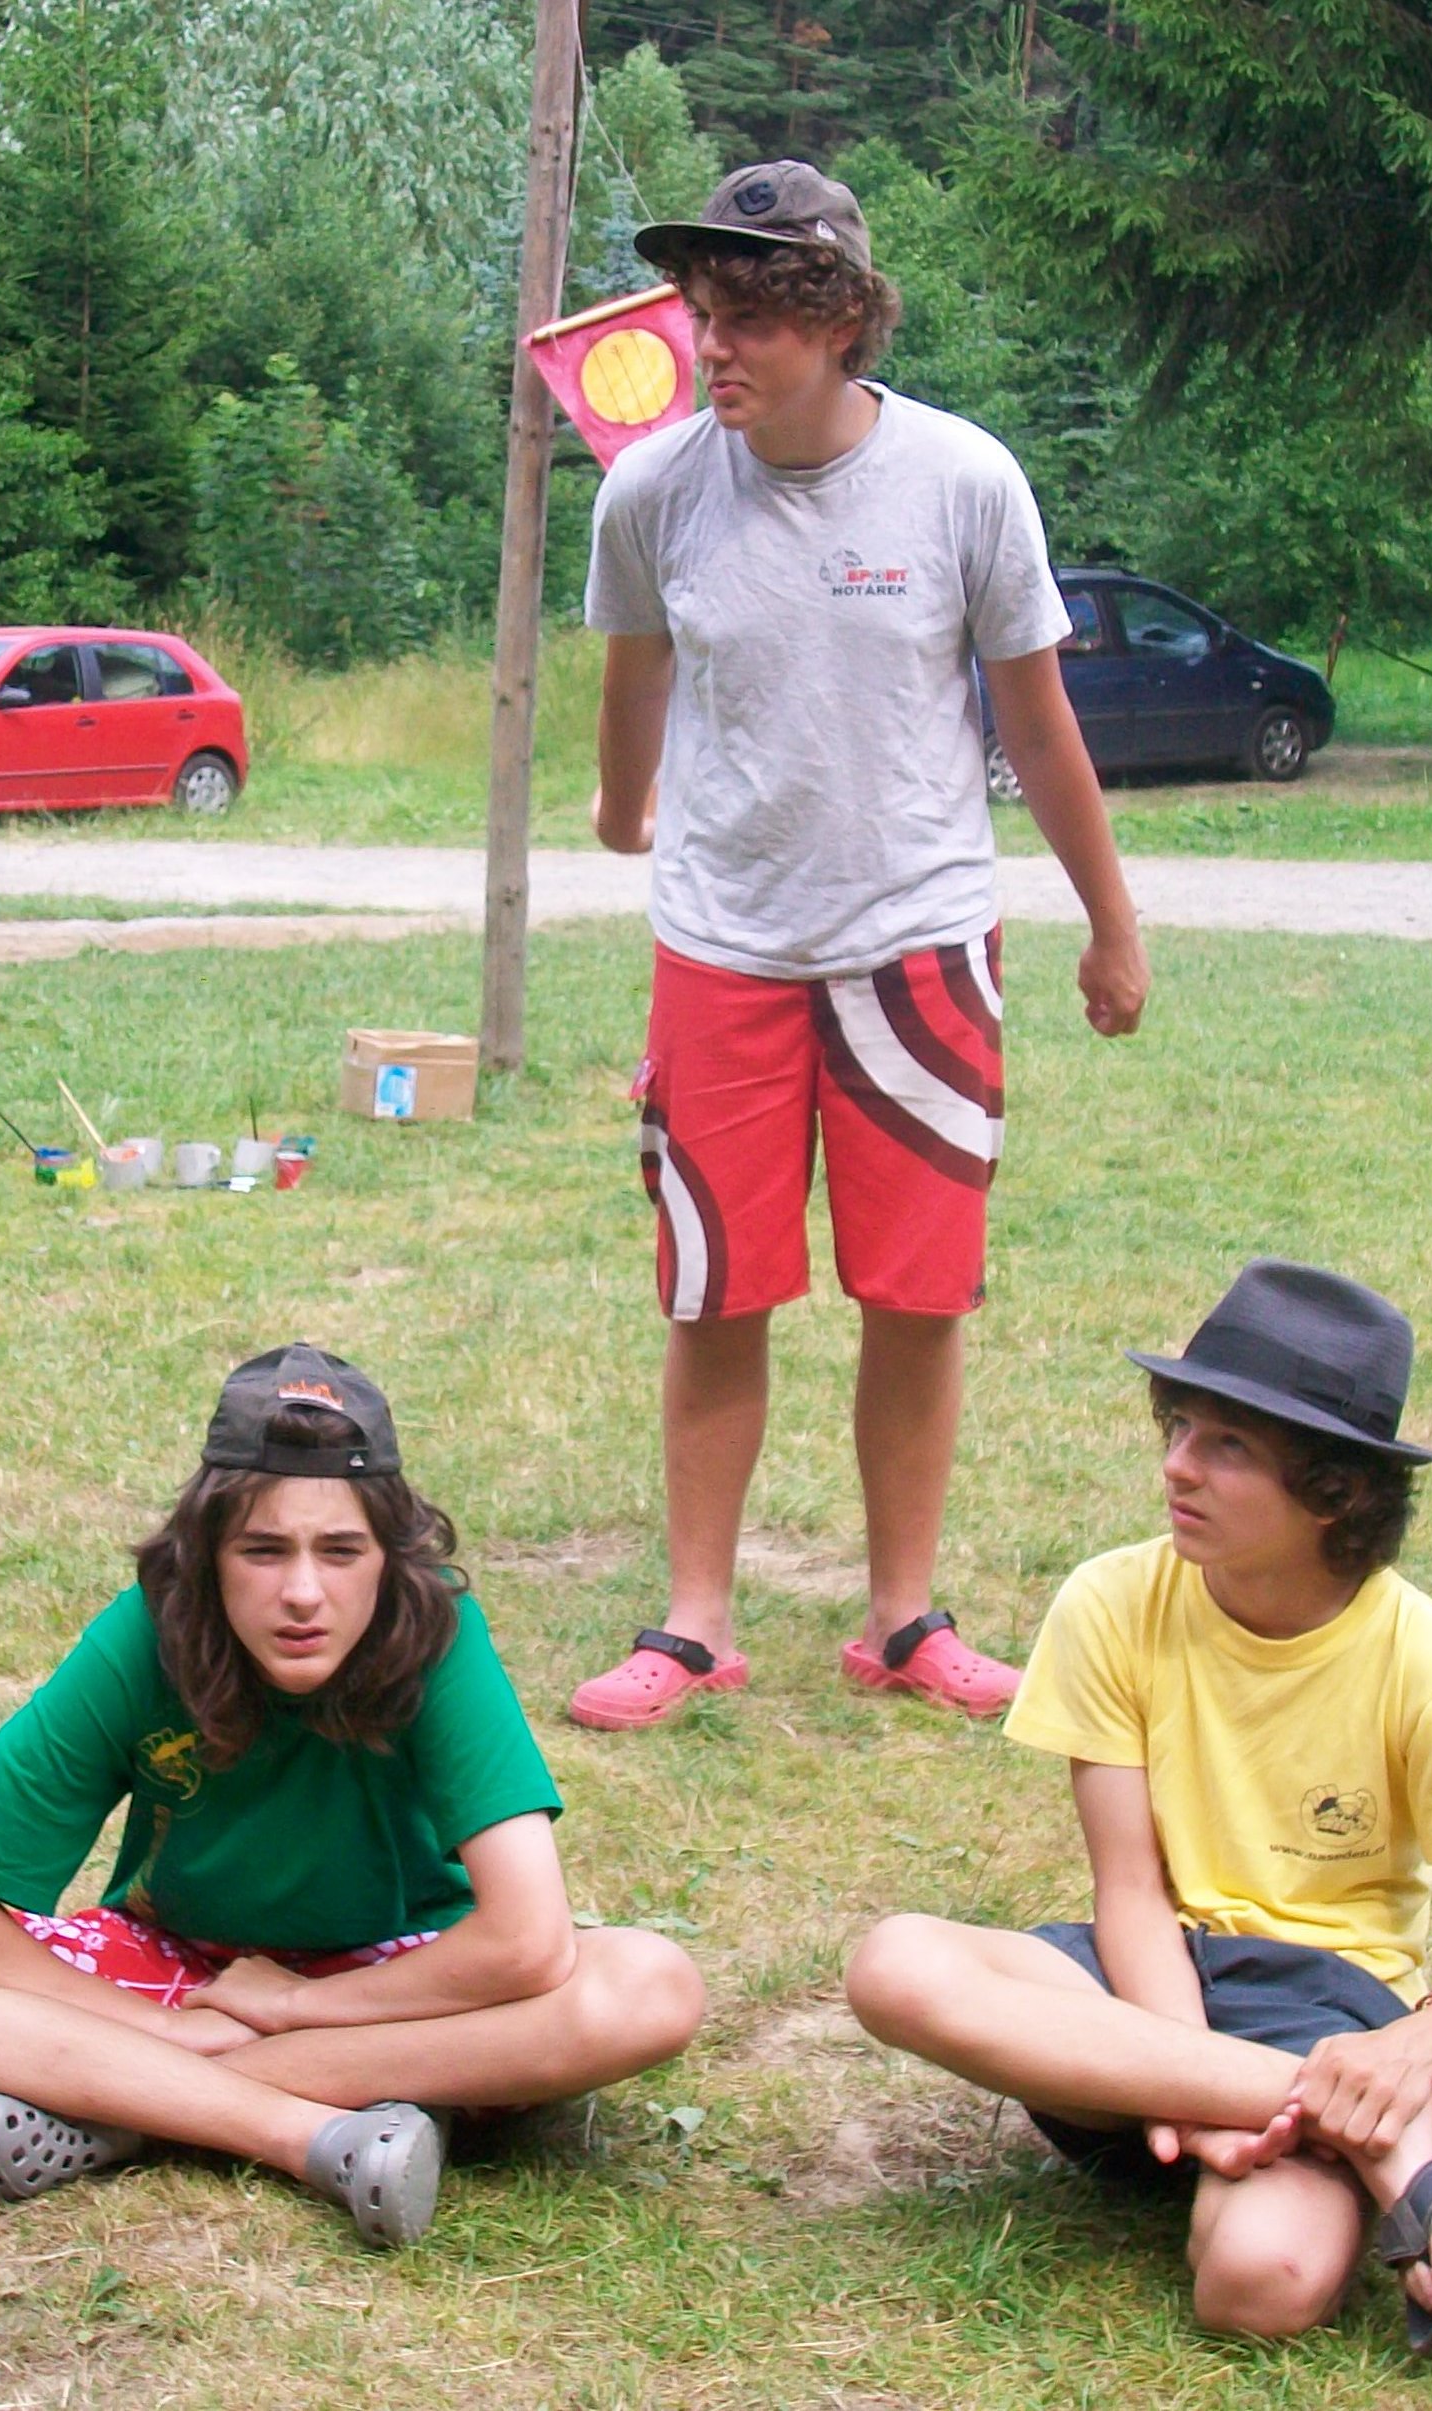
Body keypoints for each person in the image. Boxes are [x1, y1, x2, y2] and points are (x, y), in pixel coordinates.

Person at [571, 159, 1150, 1732]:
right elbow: (634, 674)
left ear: (839, 322)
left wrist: (1110, 925)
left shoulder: (963, 482)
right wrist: (622, 810)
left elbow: (1035, 721)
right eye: (704, 316)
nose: (713, 348)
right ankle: (696, 1622)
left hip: (918, 948)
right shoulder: (653, 492)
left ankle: (903, 1618)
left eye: (749, 319)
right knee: (714, 1288)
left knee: (917, 1293)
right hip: (723, 950)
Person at [0, 1346, 705, 2247]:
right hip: (179, 1973)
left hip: (399, 1989)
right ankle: (318, 2130)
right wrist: (165, 2028)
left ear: (392, 1557)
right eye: (262, 1550)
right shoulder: (152, 1627)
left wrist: (294, 2005)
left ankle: (110, 2107)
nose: (303, 1592)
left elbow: (526, 1942)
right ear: (205, 1554)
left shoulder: (438, 1632)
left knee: (649, 1984)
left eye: (342, 1550)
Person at [845, 1262, 1432, 2356]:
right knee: (896, 1962)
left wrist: (1409, 2048)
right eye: (1179, 1425)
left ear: (1335, 1491)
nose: (1176, 1464)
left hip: (1325, 2001)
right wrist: (1188, 2081)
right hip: (1144, 1985)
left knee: (1255, 2284)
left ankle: (1348, 2111)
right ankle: (1386, 2144)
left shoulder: (1429, 1663)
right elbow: (1129, 1887)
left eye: (1228, 1444)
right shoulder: (1111, 1600)